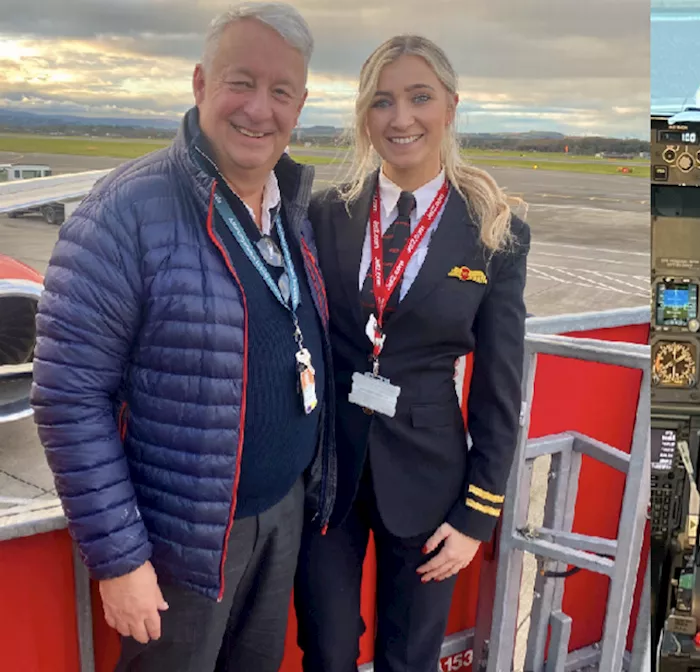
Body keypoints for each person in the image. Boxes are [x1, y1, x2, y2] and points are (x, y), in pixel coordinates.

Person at [29, 3, 337, 670]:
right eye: (241, 82)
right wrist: (120, 559)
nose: (260, 109)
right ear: (200, 84)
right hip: (181, 546)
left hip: (280, 517)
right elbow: (67, 394)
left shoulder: (291, 209)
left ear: (301, 104)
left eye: (280, 91)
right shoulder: (124, 212)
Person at [295, 34, 530, 671]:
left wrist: (478, 513)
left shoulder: (493, 234)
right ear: (364, 119)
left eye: (419, 98)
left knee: (409, 659)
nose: (401, 119)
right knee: (328, 649)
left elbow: (499, 388)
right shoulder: (324, 213)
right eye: (382, 102)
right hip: (330, 473)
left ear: (450, 107)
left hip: (430, 479)